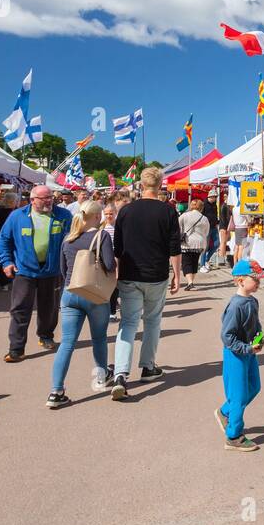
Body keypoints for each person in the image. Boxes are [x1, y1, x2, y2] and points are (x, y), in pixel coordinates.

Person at [110, 166, 181, 399]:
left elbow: (117, 248)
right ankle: (148, 366)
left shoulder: (126, 211)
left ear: (141, 184)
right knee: (152, 322)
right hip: (156, 274)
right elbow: (174, 248)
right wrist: (177, 275)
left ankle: (120, 373)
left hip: (130, 274)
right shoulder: (168, 211)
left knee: (128, 324)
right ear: (160, 185)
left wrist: (117, 274)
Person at [48, 201, 117, 408]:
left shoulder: (68, 239)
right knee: (98, 338)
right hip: (94, 294)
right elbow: (108, 264)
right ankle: (101, 375)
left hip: (70, 292)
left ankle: (56, 390)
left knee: (67, 343)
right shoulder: (101, 236)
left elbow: (62, 268)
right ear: (97, 217)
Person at [0, 185, 73, 363]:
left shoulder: (63, 215)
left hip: (52, 271)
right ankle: (16, 349)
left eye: (51, 198)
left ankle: (46, 336)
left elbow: (71, 239)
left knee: (50, 307)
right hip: (24, 271)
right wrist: (6, 262)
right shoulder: (17, 216)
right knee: (20, 309)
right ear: (32, 200)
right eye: (44, 198)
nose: (49, 201)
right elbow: (4, 240)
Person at [215, 258, 264, 451]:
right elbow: (226, 335)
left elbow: (255, 324)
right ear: (240, 281)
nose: (259, 283)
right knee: (238, 396)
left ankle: (225, 412)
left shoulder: (253, 301)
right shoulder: (236, 306)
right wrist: (246, 348)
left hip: (249, 353)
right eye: (255, 279)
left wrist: (259, 337)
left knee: (254, 387)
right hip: (235, 355)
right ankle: (234, 436)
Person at [178, 197, 210, 291]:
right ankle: (191, 281)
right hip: (199, 243)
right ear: (201, 207)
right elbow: (206, 232)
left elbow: (178, 227)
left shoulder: (184, 215)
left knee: (186, 262)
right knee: (194, 262)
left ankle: (190, 282)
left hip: (187, 242)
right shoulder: (204, 218)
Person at [199, 189, 220, 272]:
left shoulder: (215, 204)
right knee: (205, 247)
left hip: (214, 227)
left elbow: (215, 214)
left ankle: (207, 259)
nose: (215, 199)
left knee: (217, 244)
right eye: (214, 197)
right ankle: (202, 265)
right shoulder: (204, 204)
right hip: (206, 228)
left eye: (215, 197)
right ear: (209, 197)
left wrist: (217, 222)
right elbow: (201, 216)